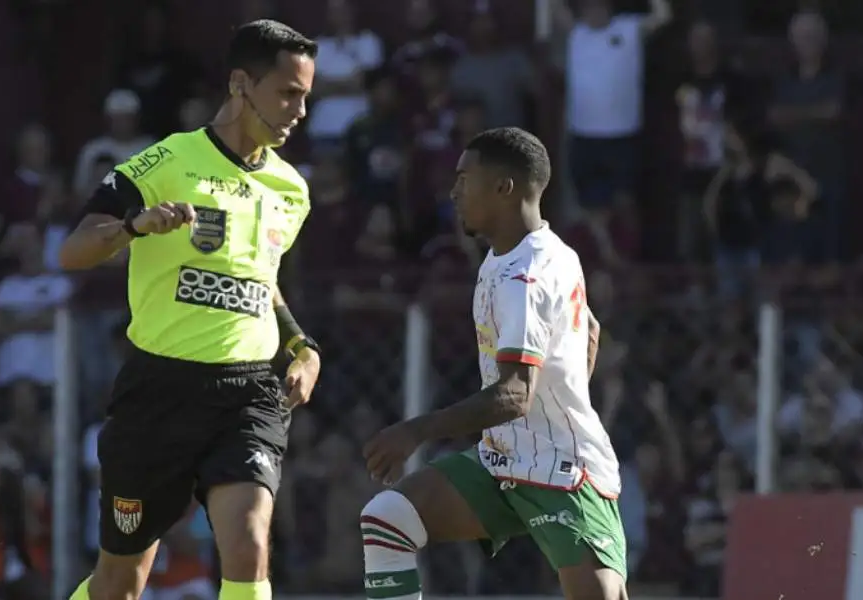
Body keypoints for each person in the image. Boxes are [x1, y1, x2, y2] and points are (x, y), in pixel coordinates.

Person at [58, 20, 322, 600]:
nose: (300, 109)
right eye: (287, 92)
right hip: (159, 391)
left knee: (249, 545)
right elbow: (73, 249)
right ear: (239, 84)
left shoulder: (290, 190)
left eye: (306, 96)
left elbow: (263, 283)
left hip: (249, 391)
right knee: (120, 582)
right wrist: (132, 227)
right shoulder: (167, 160)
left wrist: (303, 345)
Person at [360, 127, 627, 600]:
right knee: (388, 519)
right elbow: (591, 333)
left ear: (504, 188)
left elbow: (515, 394)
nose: (453, 191)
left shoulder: (523, 276)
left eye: (465, 179)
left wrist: (414, 431)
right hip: (502, 463)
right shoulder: (541, 252)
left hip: (562, 472)